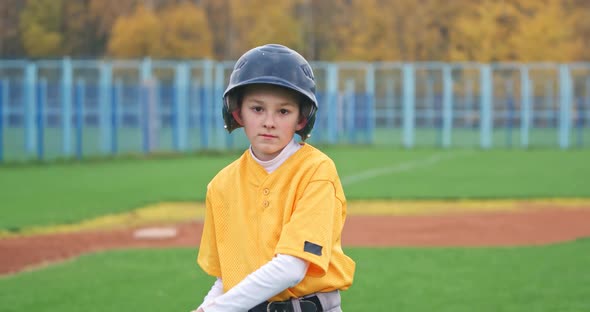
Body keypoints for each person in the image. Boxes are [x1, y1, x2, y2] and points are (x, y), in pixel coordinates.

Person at [193, 44, 355, 312]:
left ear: (302, 120)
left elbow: (292, 266)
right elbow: (229, 278)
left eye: (283, 111)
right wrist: (206, 306)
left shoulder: (316, 171)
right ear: (237, 113)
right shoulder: (222, 185)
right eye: (257, 109)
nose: (269, 122)